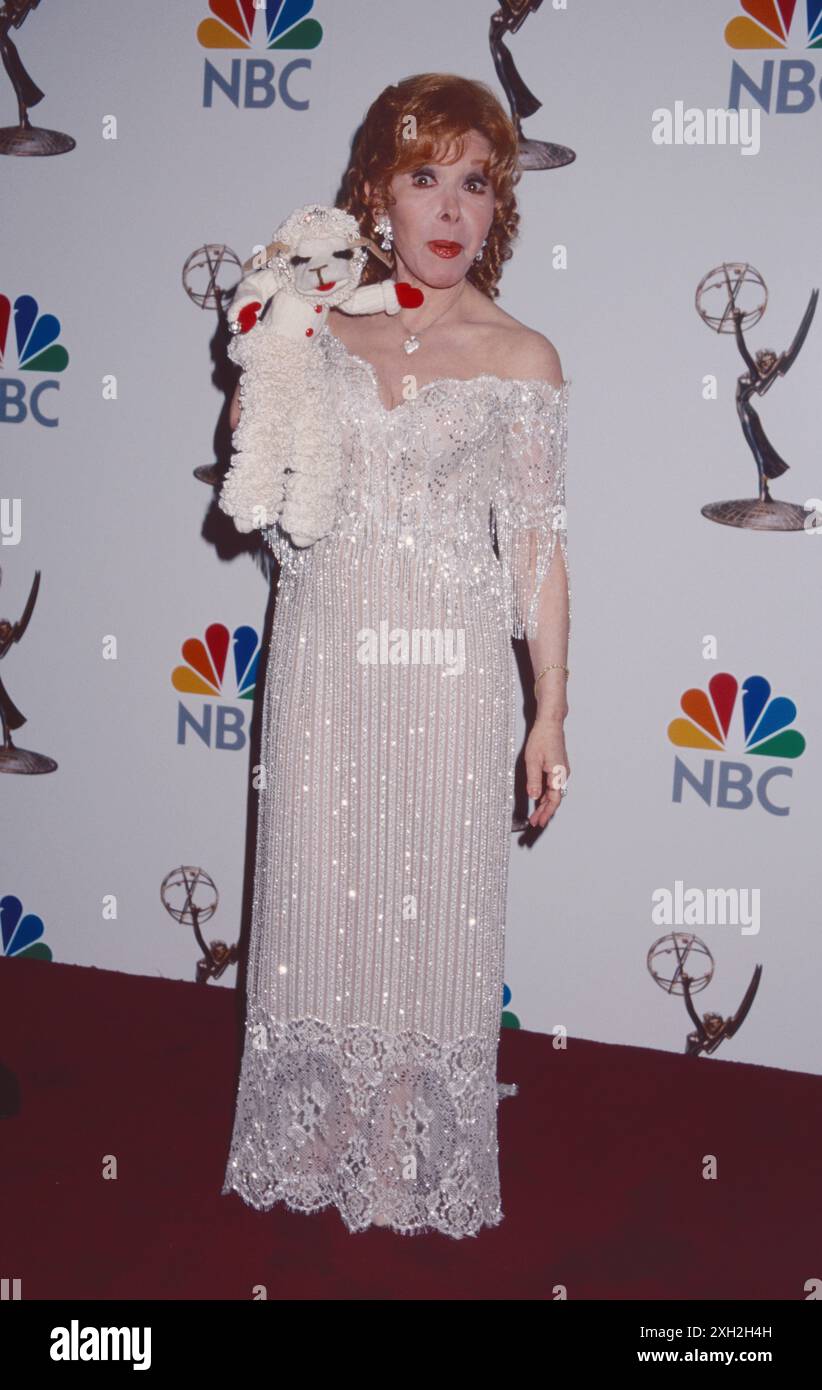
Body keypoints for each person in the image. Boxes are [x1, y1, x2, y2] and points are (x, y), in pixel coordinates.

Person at [221, 72, 571, 1239]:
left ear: (497, 208)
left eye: (475, 183)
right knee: (320, 891)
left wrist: (550, 714)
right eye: (424, 175)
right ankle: (320, 1115)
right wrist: (261, 367)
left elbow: (536, 552)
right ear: (376, 190)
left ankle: (409, 1123)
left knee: (433, 905)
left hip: (450, 674)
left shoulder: (521, 357)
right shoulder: (319, 329)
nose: (450, 206)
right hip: (323, 661)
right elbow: (262, 483)